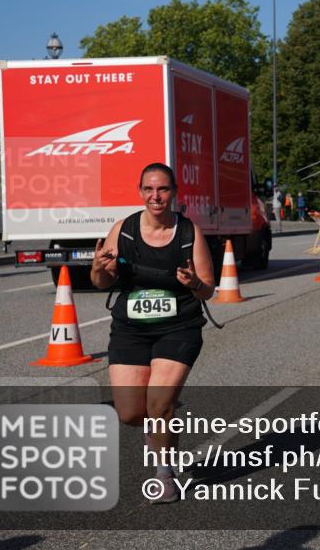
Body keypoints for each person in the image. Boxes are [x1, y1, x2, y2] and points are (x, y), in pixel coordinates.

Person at [90, 162, 215, 504]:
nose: (156, 196)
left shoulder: (188, 233)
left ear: (173, 192)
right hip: (130, 329)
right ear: (140, 191)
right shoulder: (125, 230)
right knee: (131, 413)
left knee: (158, 405)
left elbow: (208, 291)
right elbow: (101, 282)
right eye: (149, 189)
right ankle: (162, 418)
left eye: (162, 189)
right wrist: (99, 269)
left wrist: (195, 284)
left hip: (179, 327)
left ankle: (164, 473)